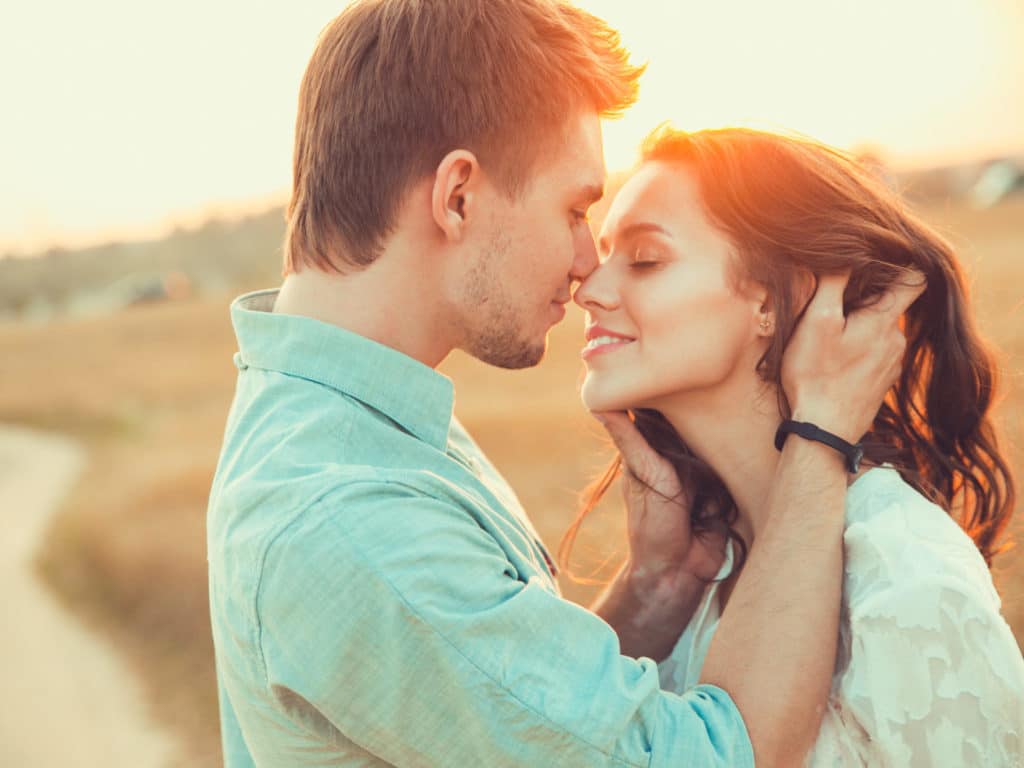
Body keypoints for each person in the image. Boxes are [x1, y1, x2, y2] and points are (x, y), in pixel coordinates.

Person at [206, 2, 920, 765]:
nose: (587, 264)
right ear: (458, 197)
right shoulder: (348, 514)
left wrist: (654, 587)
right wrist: (821, 436)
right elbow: (713, 757)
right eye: (576, 209)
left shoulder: (350, 421)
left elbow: (492, 721)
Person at [568, 125, 1024, 766]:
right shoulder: (701, 572)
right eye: (604, 252)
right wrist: (650, 587)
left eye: (644, 259)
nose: (588, 287)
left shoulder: (906, 581)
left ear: (779, 301)